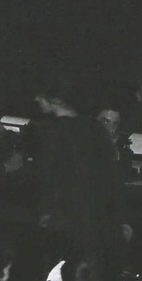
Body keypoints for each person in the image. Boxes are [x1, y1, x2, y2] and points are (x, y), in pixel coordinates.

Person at [31, 75, 127, 253]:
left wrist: (45, 214)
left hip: (65, 223)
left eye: (39, 95)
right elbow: (113, 177)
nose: (36, 99)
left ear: (53, 99)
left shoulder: (51, 132)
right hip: (98, 222)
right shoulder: (95, 128)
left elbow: (47, 180)